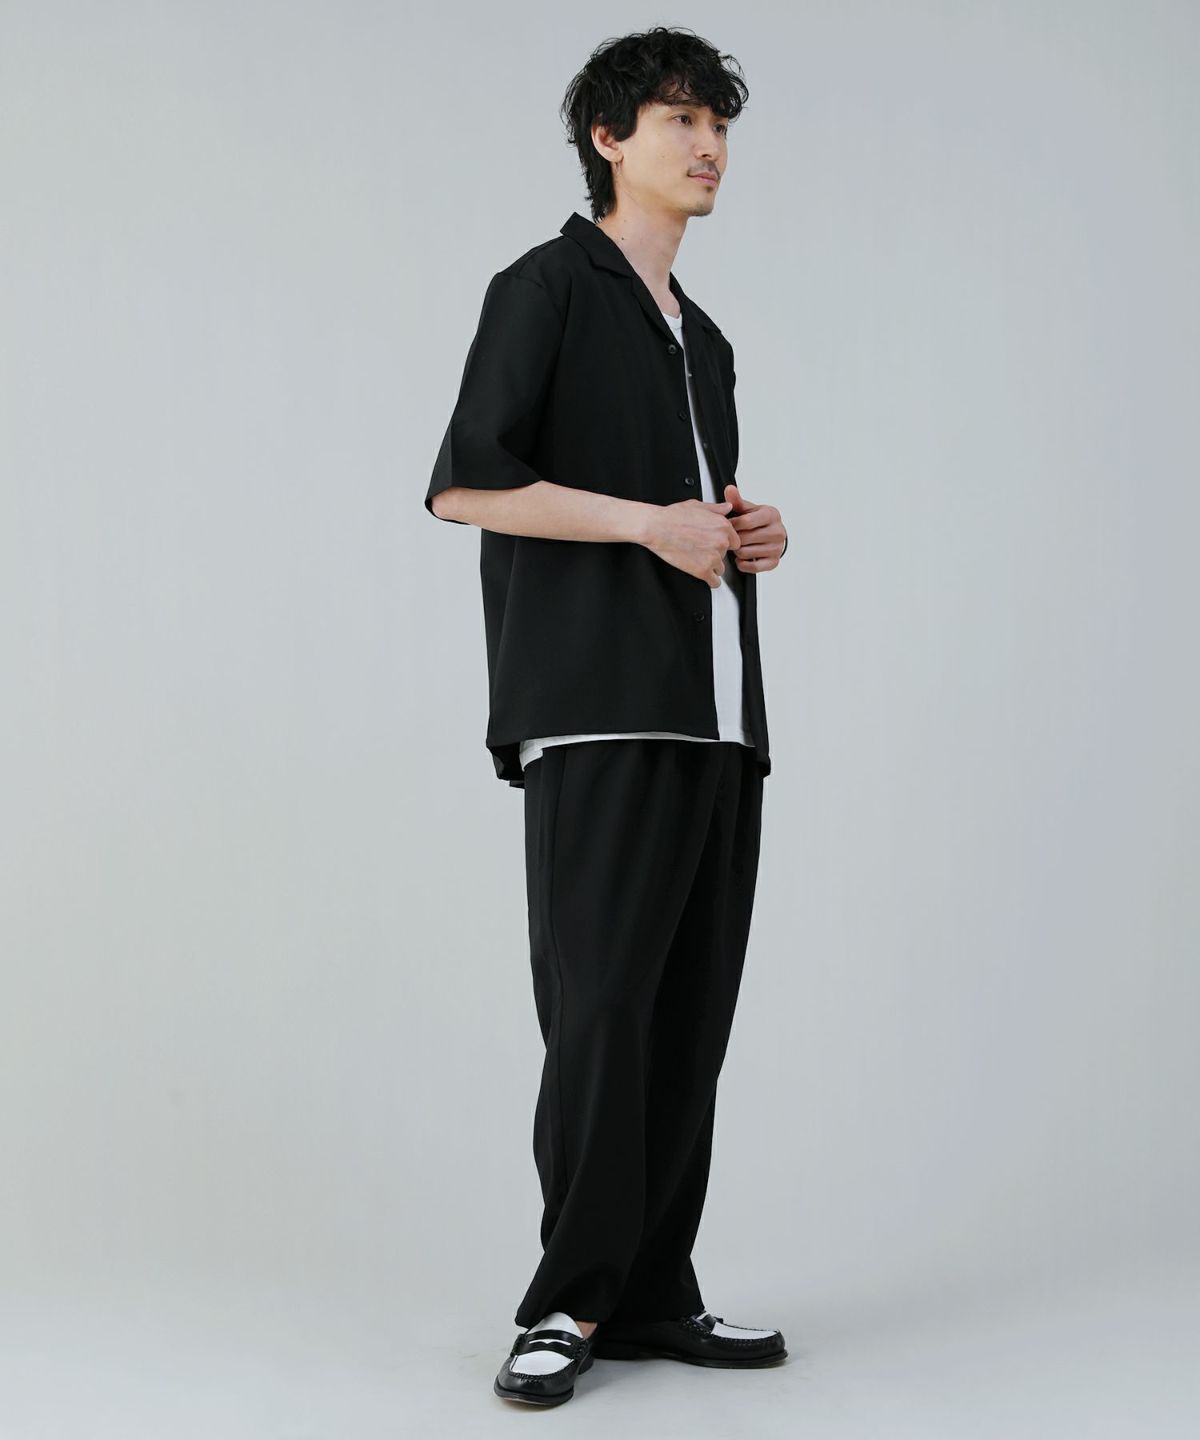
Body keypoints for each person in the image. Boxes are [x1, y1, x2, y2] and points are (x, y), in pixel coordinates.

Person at [424, 26, 790, 1407]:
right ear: (608, 138)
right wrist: (648, 524)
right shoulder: (545, 288)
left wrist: (742, 535)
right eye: (680, 119)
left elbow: (689, 521)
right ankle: (567, 1303)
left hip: (715, 716)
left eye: (719, 125)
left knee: (688, 1019)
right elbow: (466, 482)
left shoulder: (707, 340)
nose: (708, 147)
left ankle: (650, 1294)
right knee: (602, 1016)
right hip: (598, 711)